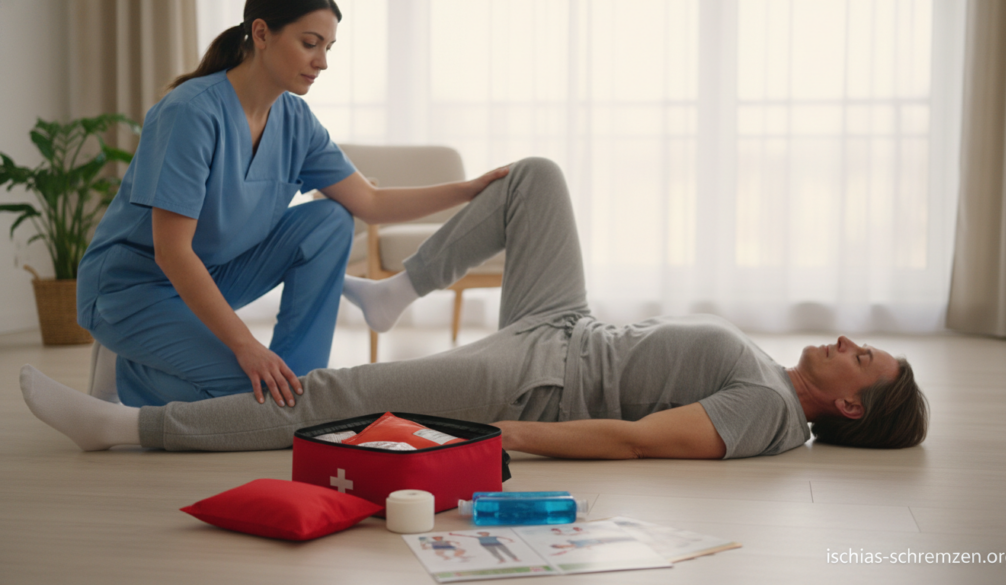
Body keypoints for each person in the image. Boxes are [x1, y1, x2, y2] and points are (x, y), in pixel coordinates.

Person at [22, 158, 929, 459]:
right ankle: (396, 292)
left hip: (539, 377)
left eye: (863, 359)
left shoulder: (767, 411)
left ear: (851, 406)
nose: (849, 341)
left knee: (340, 394)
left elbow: (640, 439)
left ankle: (129, 430)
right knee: (535, 178)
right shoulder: (771, 377)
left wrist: (501, 432)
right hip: (566, 323)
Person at [75, 0, 508, 409]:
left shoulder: (296, 121)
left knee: (331, 221)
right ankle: (127, 372)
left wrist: (468, 190)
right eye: (310, 43)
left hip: (212, 277)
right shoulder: (190, 113)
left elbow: (370, 202)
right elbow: (172, 252)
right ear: (262, 34)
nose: (322, 62)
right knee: (247, 397)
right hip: (131, 288)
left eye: (328, 47)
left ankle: (301, 379)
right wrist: (246, 345)